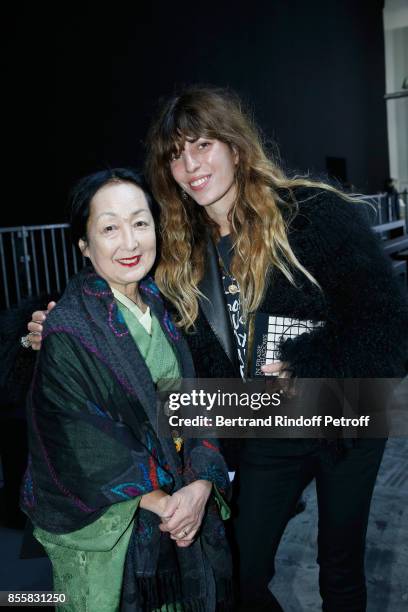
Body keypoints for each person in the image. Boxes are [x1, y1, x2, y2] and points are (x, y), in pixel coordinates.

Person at [25, 88, 408, 611]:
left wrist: (310, 364)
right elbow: (119, 283)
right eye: (175, 155)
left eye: (202, 145)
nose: (190, 164)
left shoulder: (310, 211)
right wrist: (55, 325)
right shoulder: (178, 244)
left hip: (344, 409)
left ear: (234, 145)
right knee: (242, 570)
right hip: (264, 423)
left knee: (339, 567)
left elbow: (386, 319)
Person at [21, 168, 233, 612]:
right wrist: (168, 503)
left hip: (175, 509)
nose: (130, 242)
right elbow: (77, 440)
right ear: (84, 244)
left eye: (140, 223)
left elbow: (194, 405)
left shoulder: (161, 305)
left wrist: (198, 488)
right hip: (108, 531)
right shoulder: (68, 328)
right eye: (110, 228)